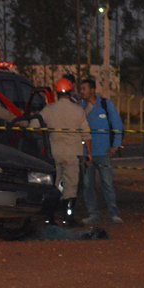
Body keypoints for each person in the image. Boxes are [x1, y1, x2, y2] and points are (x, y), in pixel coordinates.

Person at [39, 77, 91, 225]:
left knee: (53, 184)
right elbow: (86, 134)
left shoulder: (48, 110)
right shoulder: (78, 110)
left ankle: (49, 217)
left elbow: (34, 125)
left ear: (56, 94)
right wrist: (89, 154)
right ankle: (68, 217)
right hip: (72, 153)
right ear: (71, 92)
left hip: (54, 153)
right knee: (71, 185)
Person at [79, 78, 124, 225]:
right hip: (87, 153)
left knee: (107, 184)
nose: (82, 91)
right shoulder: (81, 108)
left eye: (84, 88)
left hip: (104, 153)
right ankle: (93, 214)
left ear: (92, 90)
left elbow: (117, 125)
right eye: (81, 89)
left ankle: (113, 214)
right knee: (88, 185)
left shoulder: (105, 104)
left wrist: (115, 145)